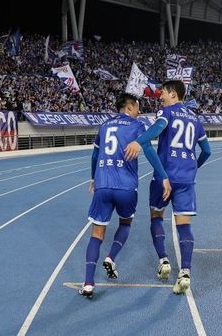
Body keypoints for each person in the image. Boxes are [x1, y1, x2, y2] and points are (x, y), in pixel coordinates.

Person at [124, 80, 211, 295]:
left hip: (164, 177)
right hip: (186, 180)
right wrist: (193, 168)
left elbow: (159, 127)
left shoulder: (167, 111)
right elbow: (207, 150)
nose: (160, 95)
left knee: (156, 217)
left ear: (173, 94)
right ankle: (186, 271)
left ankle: (163, 260)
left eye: (162, 92)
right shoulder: (195, 118)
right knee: (184, 225)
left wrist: (138, 141)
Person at [80, 93, 171, 299]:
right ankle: (111, 258)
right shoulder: (137, 126)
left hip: (102, 185)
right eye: (137, 106)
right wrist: (163, 176)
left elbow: (95, 154)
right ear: (129, 107)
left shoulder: (104, 126)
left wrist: (93, 178)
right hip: (126, 188)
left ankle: (87, 284)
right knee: (126, 223)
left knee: (96, 235)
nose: (139, 111)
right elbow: (149, 151)